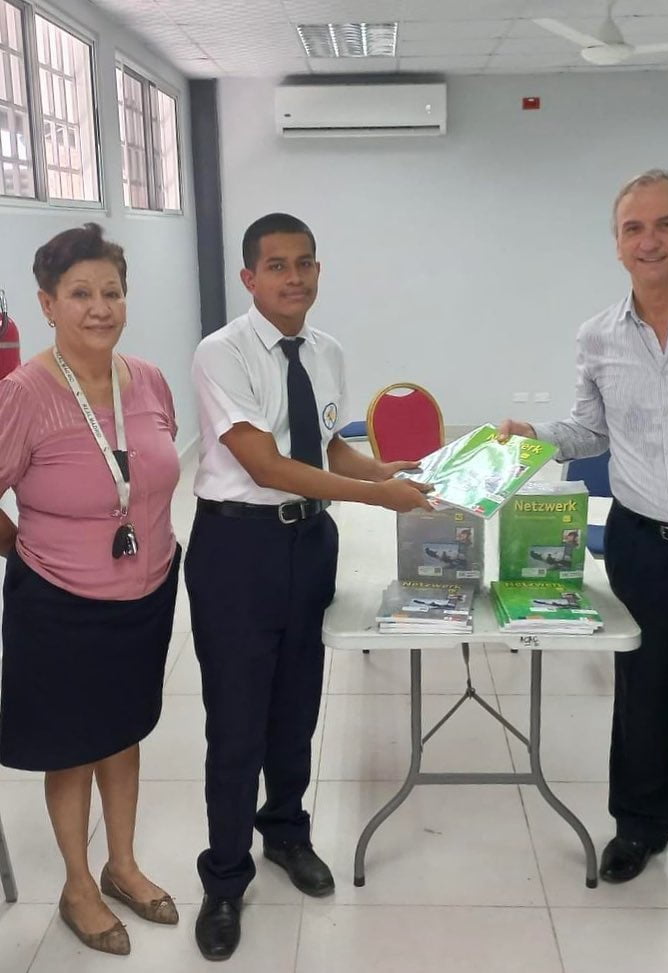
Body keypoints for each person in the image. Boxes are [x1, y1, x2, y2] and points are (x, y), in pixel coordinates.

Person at [499, 169, 668, 907]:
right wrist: (537, 436)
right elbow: (591, 430)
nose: (649, 240)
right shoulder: (598, 335)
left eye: (665, 224)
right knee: (641, 691)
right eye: (633, 228)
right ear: (617, 245)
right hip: (640, 539)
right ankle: (640, 826)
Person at [185, 213, 431, 961]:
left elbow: (321, 445)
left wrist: (385, 473)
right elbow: (264, 464)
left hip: (308, 543)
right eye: (277, 265)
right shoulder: (220, 353)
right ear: (249, 277)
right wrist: (374, 500)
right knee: (236, 721)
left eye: (306, 263)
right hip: (238, 547)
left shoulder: (326, 352)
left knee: (296, 705)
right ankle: (225, 878)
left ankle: (285, 833)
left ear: (318, 271)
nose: (294, 277)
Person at [0, 224, 181, 955]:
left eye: (111, 291)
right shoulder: (25, 392)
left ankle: (123, 864)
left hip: (148, 590)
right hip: (60, 602)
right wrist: (26, 547)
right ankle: (78, 883)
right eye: (80, 293)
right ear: (47, 303)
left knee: (124, 728)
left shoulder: (148, 377)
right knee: (71, 745)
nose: (99, 306)